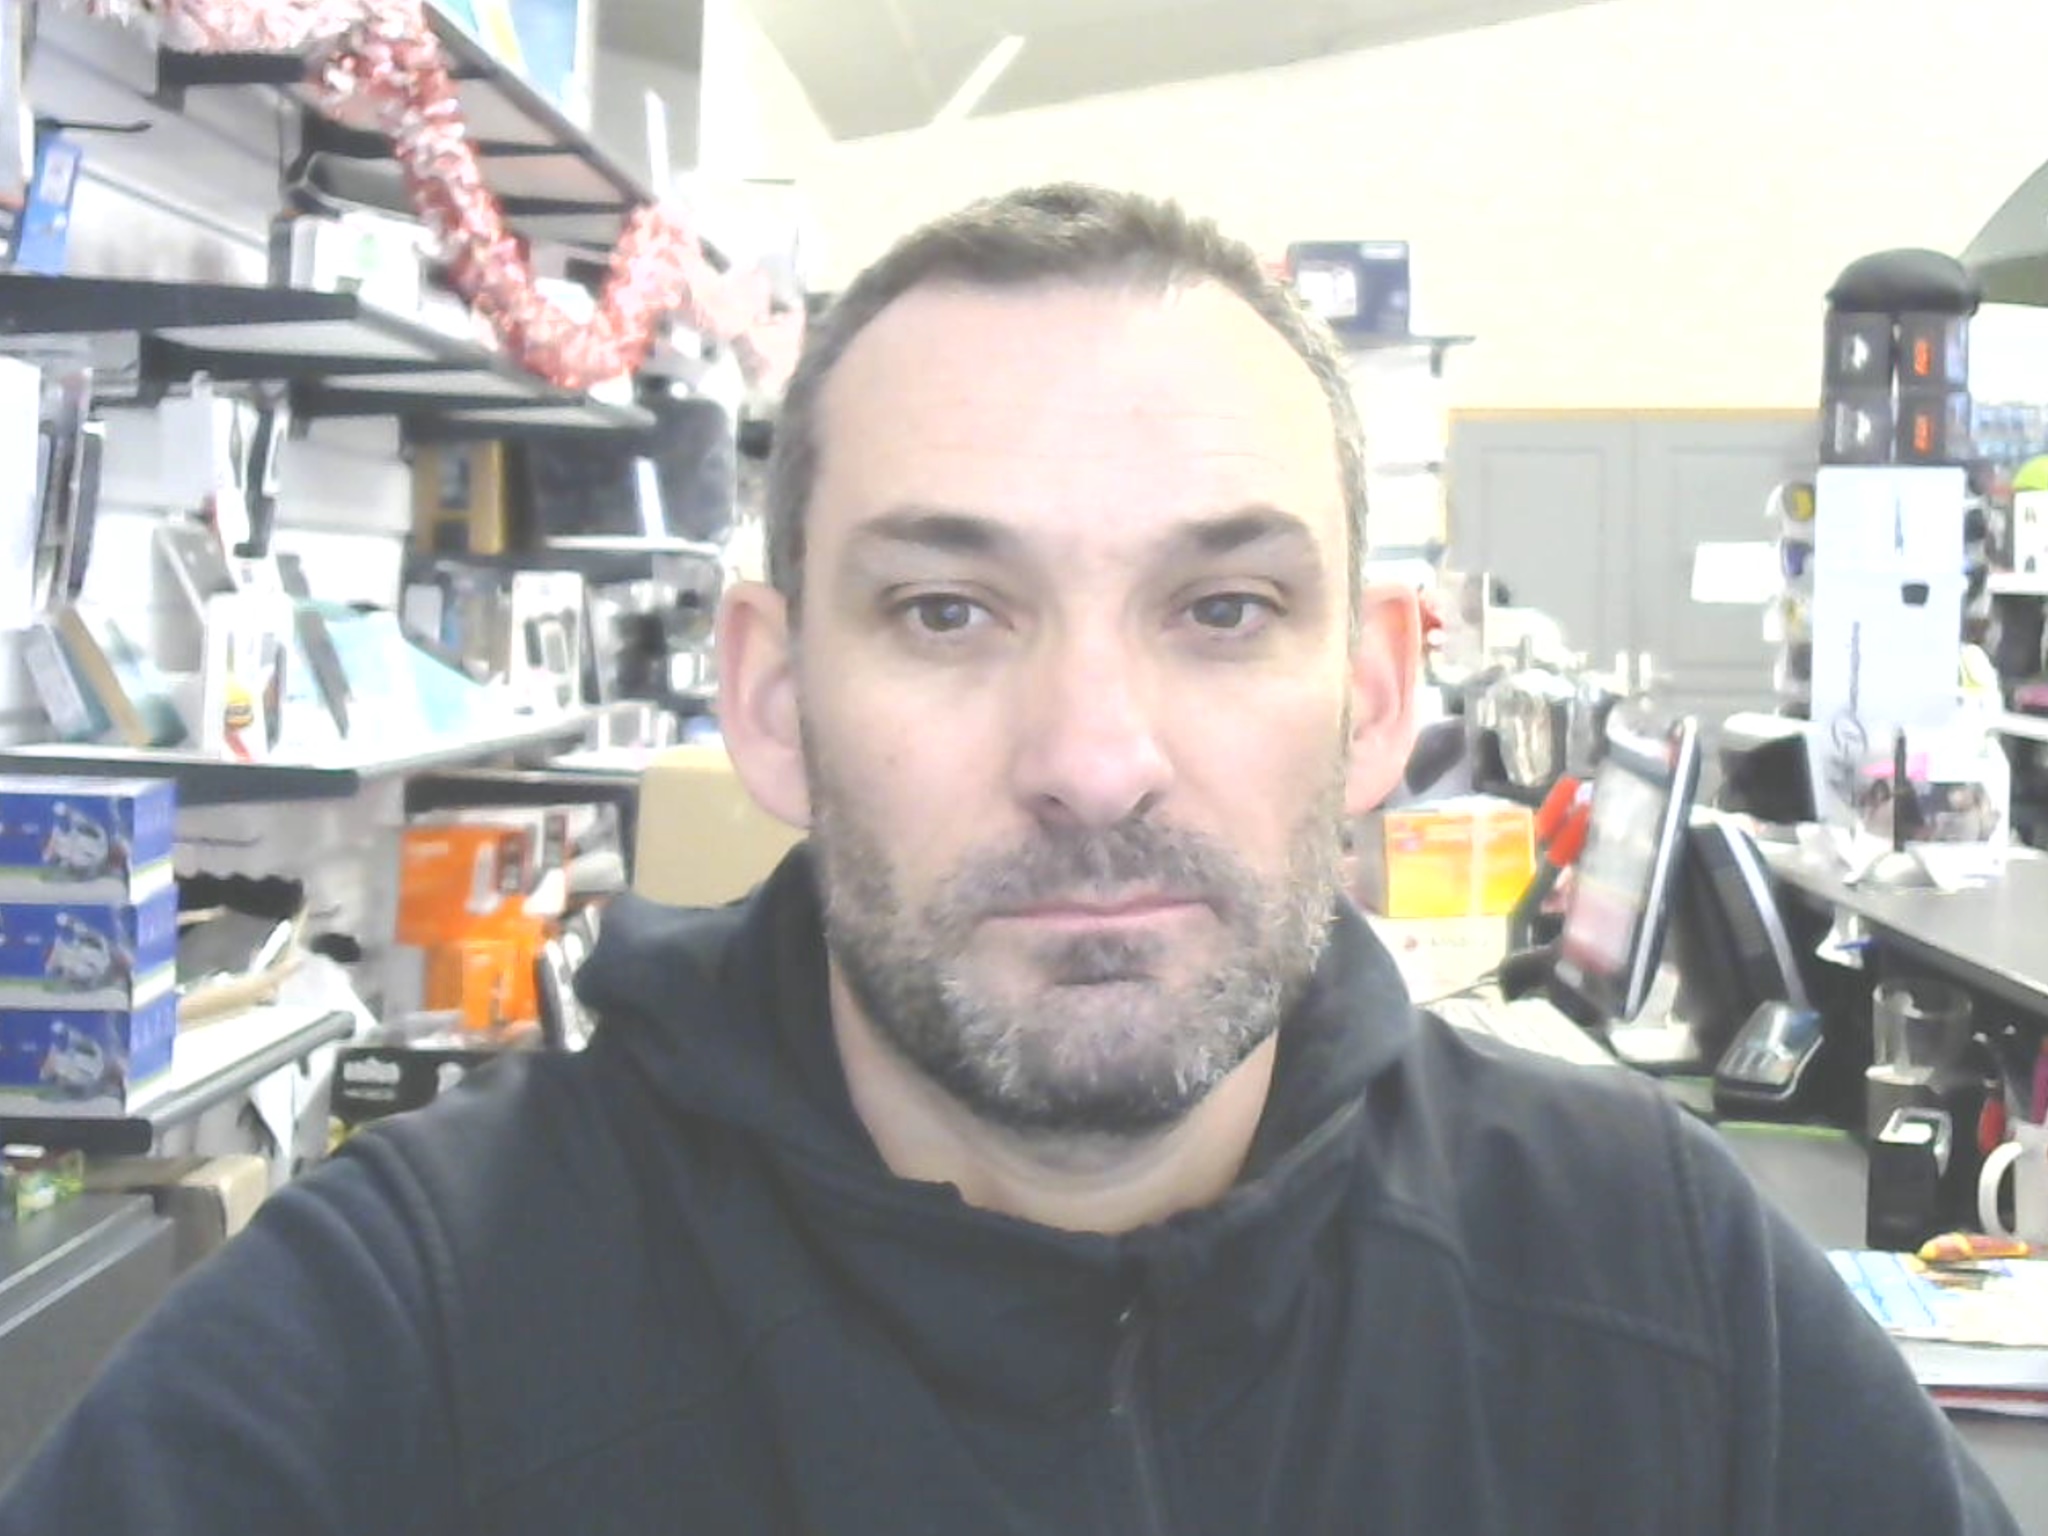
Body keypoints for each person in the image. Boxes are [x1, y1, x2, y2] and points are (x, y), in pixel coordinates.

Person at [0, 185, 2018, 1535]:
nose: (1091, 760)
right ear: (772, 699)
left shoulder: (1655, 1284)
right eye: (949, 612)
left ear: (1376, 698)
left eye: (1221, 609)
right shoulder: (391, 1349)